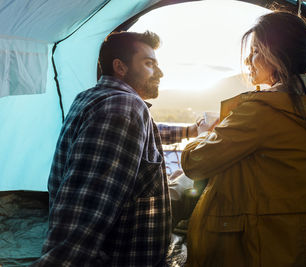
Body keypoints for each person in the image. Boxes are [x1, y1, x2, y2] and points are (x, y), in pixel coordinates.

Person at [181, 12, 306, 267]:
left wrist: (206, 133)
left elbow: (194, 164)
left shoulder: (260, 112)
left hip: (278, 248)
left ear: (275, 56)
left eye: (254, 51)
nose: (248, 60)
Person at [34, 31, 199, 266]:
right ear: (120, 67)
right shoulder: (124, 107)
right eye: (149, 63)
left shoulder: (93, 97)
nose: (160, 73)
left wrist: (191, 130)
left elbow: (140, 135)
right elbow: (89, 205)